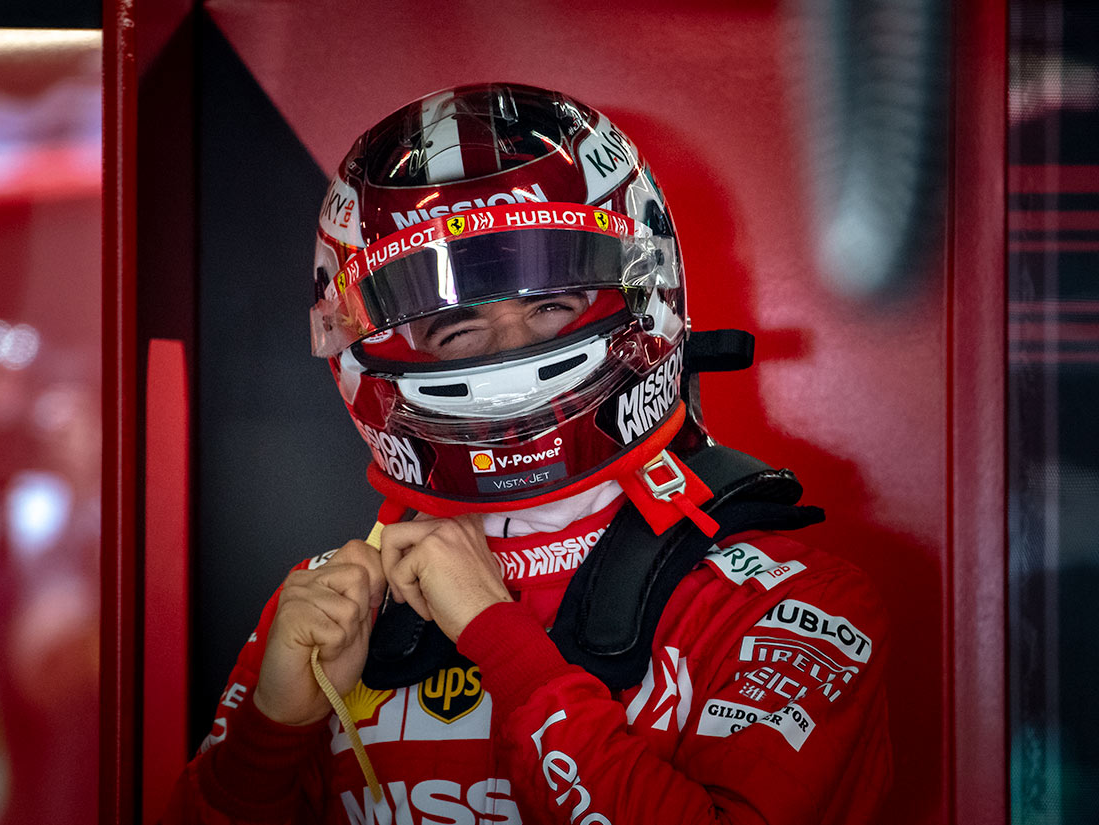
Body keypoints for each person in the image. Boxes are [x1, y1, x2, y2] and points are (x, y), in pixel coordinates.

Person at [163, 82, 892, 825]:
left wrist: (498, 637)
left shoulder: (785, 604)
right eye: (458, 329)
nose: (511, 350)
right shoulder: (331, 606)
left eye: (549, 305)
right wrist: (267, 739)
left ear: (643, 296)